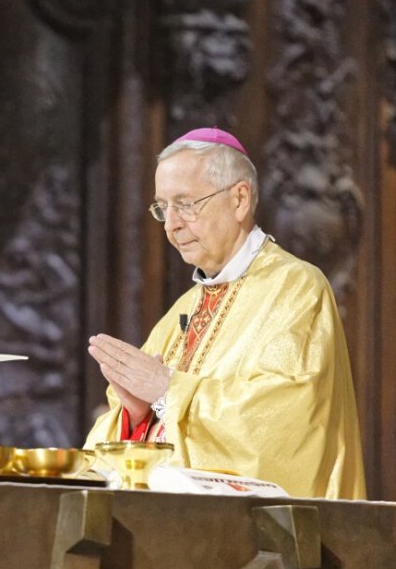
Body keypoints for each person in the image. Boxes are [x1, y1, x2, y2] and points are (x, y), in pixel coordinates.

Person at [85, 128, 366, 499]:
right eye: (162, 208)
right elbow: (108, 446)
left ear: (239, 200)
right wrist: (138, 416)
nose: (171, 225)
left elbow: (285, 427)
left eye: (185, 204)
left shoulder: (296, 289)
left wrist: (169, 393)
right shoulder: (181, 312)